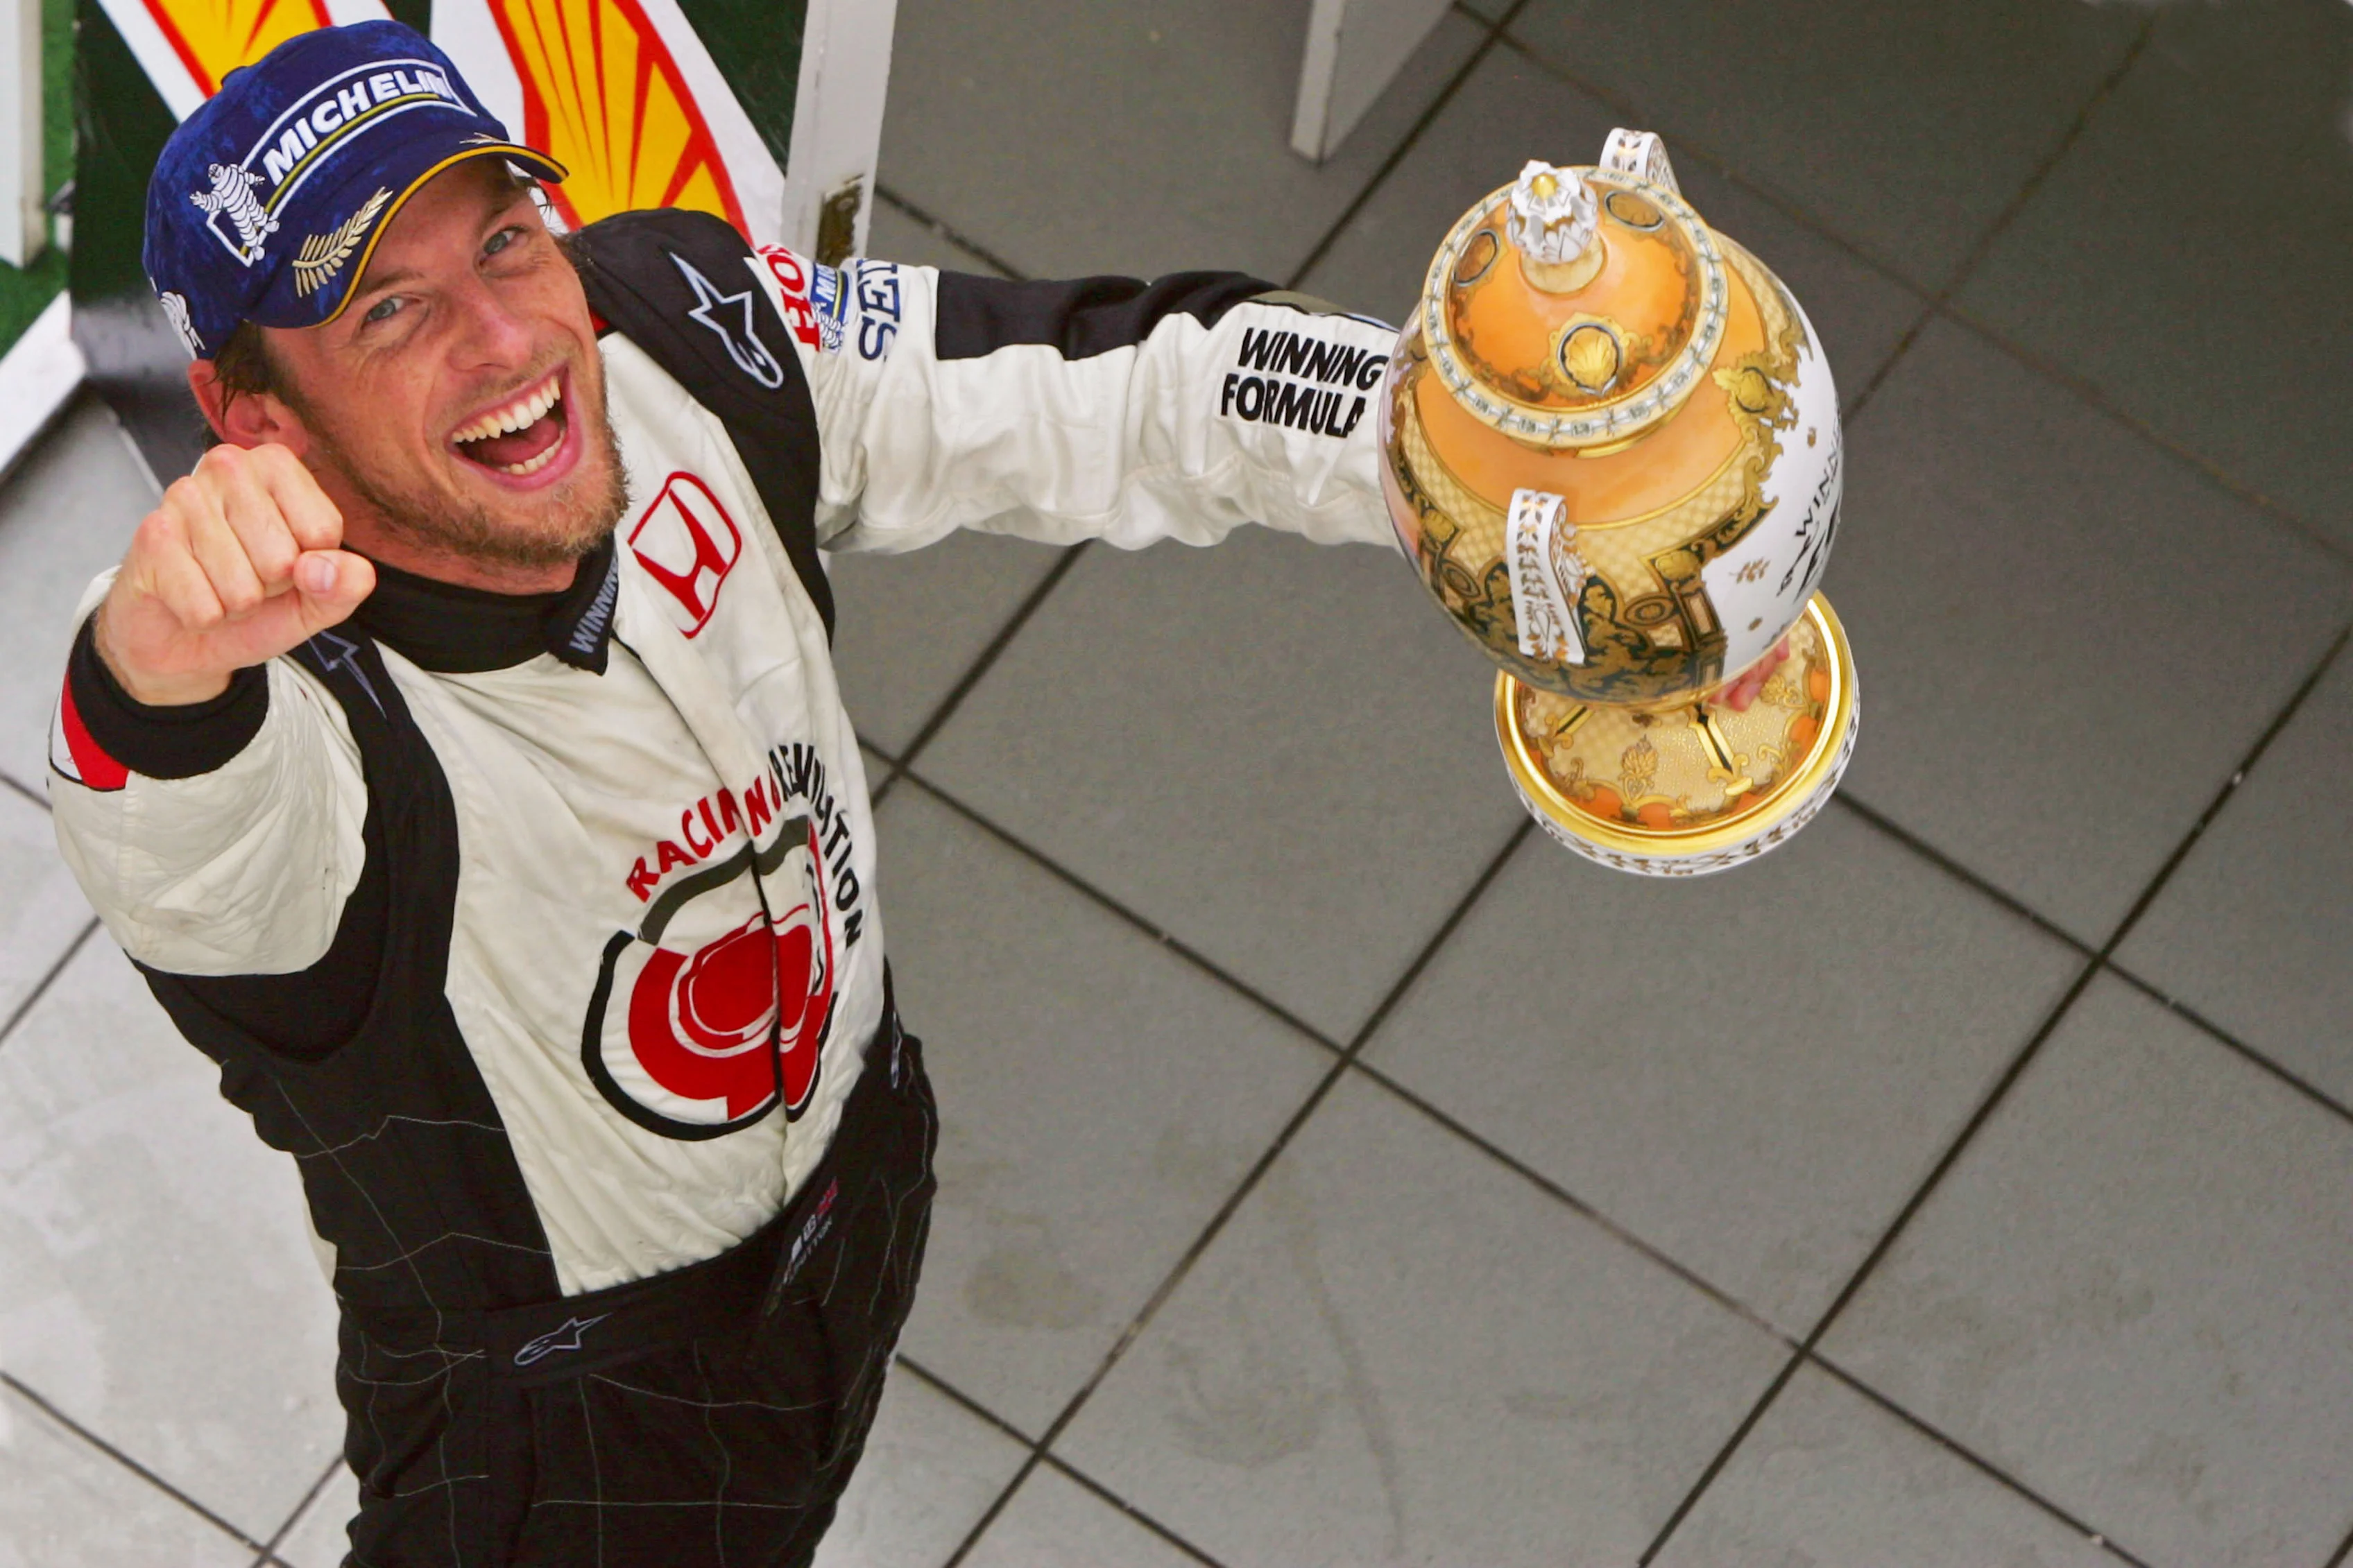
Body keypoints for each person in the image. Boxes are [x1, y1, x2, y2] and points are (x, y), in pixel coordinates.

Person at [46, 19, 1398, 1567]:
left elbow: (1129, 388)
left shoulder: (693, 322)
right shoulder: (294, 722)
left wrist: (1437, 437)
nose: (504, 339)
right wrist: (149, 655)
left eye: (505, 238)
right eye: (392, 310)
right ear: (255, 422)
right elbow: (173, 825)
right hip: (569, 1421)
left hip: (863, 1180)